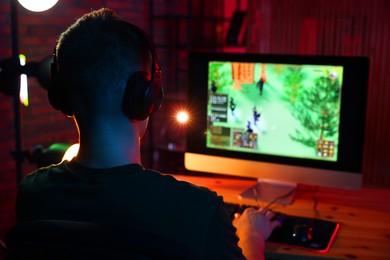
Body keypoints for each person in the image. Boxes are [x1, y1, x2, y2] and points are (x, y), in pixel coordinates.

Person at [15, 8, 281, 259]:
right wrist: (252, 235)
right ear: (146, 96)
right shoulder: (199, 211)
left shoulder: (32, 193)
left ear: (61, 97)